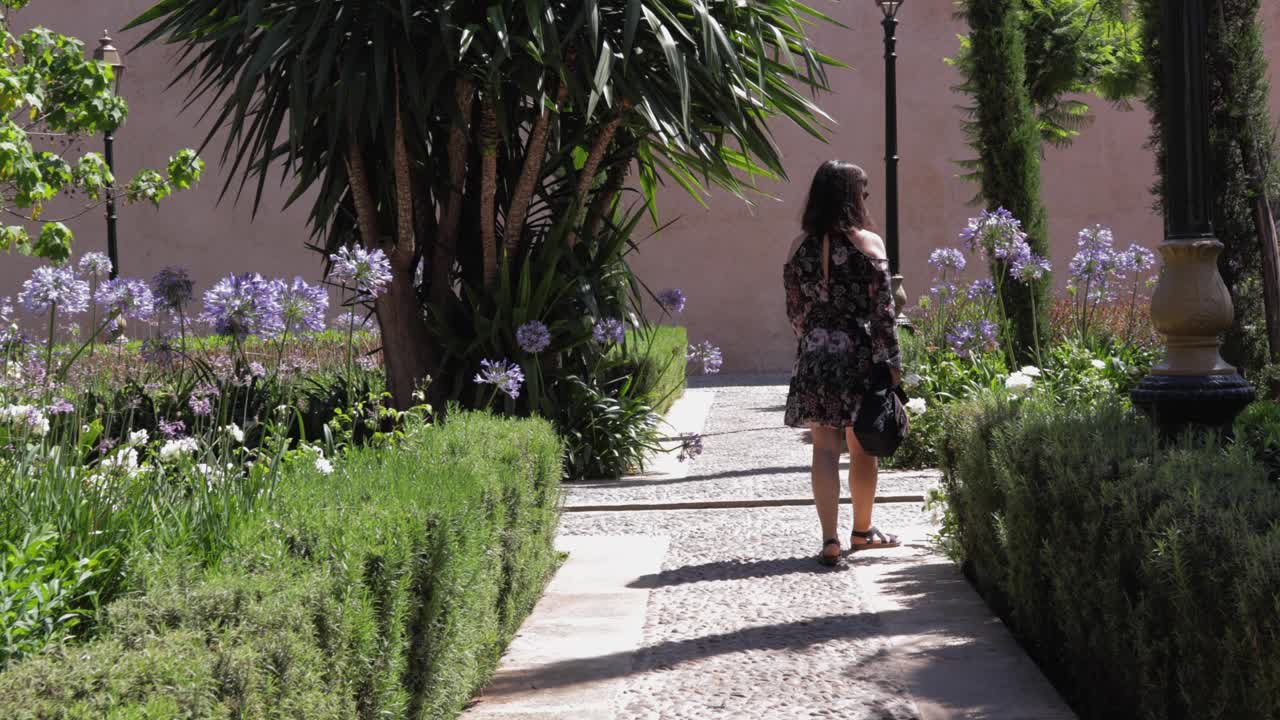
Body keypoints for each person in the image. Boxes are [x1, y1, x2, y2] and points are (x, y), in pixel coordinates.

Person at [783, 160, 903, 566]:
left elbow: (795, 311)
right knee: (862, 445)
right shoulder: (869, 245)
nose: (866, 198)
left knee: (823, 448)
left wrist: (815, 340)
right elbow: (884, 312)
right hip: (858, 352)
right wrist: (891, 362)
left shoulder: (799, 247)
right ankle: (863, 531)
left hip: (816, 354)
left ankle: (829, 540)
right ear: (852, 197)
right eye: (863, 192)